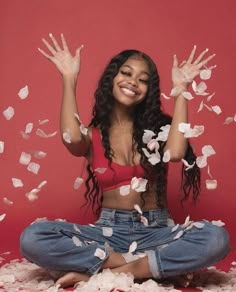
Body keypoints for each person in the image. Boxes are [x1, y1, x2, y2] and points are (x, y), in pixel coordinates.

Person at [20, 33, 230, 289]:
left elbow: (175, 153)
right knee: (33, 237)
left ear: (149, 91)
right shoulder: (94, 135)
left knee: (216, 239)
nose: (133, 82)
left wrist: (181, 90)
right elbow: (70, 137)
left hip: (158, 230)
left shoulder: (160, 128)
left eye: (143, 80)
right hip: (108, 235)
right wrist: (69, 78)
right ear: (112, 78)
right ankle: (145, 267)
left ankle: (109, 272)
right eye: (126, 73)